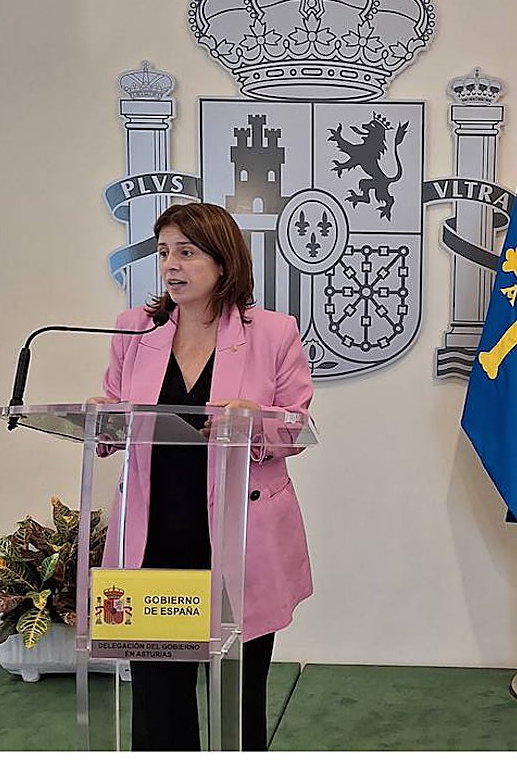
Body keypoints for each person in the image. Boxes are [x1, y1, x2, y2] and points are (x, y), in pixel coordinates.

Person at [88, 202, 314, 751]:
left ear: (222, 261)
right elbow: (112, 426)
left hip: (238, 541)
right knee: (157, 709)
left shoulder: (273, 334)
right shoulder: (135, 329)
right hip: (154, 538)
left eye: (186, 252)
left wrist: (250, 423)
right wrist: (101, 417)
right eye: (164, 251)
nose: (171, 265)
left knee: (238, 702)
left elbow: (296, 430)